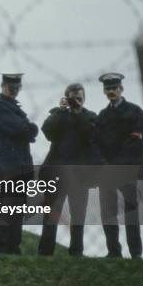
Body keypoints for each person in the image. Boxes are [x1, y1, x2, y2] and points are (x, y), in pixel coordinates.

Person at [37, 83, 98, 256]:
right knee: (51, 215)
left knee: (78, 216)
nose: (76, 101)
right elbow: (47, 131)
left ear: (84, 99)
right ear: (66, 98)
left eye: (79, 98)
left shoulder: (91, 117)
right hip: (56, 176)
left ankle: (76, 253)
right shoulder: (58, 115)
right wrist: (60, 110)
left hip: (80, 177)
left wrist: (78, 113)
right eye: (73, 98)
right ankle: (45, 252)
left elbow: (93, 136)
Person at [94, 73, 143, 258]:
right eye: (108, 89)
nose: (111, 92)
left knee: (131, 212)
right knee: (107, 212)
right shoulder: (102, 115)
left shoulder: (135, 112)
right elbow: (96, 143)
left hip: (126, 170)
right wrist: (104, 164)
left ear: (121, 88)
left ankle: (135, 253)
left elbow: (135, 143)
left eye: (114, 88)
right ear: (104, 91)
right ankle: (113, 252)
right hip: (106, 172)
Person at [0, 73, 38, 254]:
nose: (14, 90)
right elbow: (23, 130)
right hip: (5, 168)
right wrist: (30, 128)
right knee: (4, 209)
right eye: (10, 87)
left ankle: (12, 248)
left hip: (17, 168)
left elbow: (28, 132)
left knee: (15, 209)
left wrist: (29, 130)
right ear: (2, 86)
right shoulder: (0, 106)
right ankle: (2, 250)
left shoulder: (12, 108)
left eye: (17, 87)